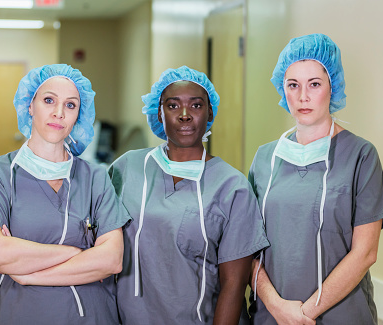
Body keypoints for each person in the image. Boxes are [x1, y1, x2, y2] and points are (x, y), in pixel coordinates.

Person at [248, 34, 383, 325]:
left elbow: (365, 252)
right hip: (272, 316)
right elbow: (247, 247)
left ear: (332, 87)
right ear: (283, 89)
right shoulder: (265, 158)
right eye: (293, 85)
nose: (303, 96)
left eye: (314, 84)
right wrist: (277, 307)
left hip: (340, 316)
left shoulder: (360, 156)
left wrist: (304, 315)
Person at [0, 64, 130, 324]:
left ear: (79, 114)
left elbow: (111, 260)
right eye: (49, 100)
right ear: (30, 106)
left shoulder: (95, 178)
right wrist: (79, 253)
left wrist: (28, 272)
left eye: (71, 105)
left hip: (89, 316)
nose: (58, 113)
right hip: (17, 314)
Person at [109, 66, 269, 324]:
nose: (184, 115)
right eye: (173, 106)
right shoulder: (126, 168)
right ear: (159, 114)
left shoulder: (232, 187)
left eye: (196, 106)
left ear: (210, 113)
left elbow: (234, 283)